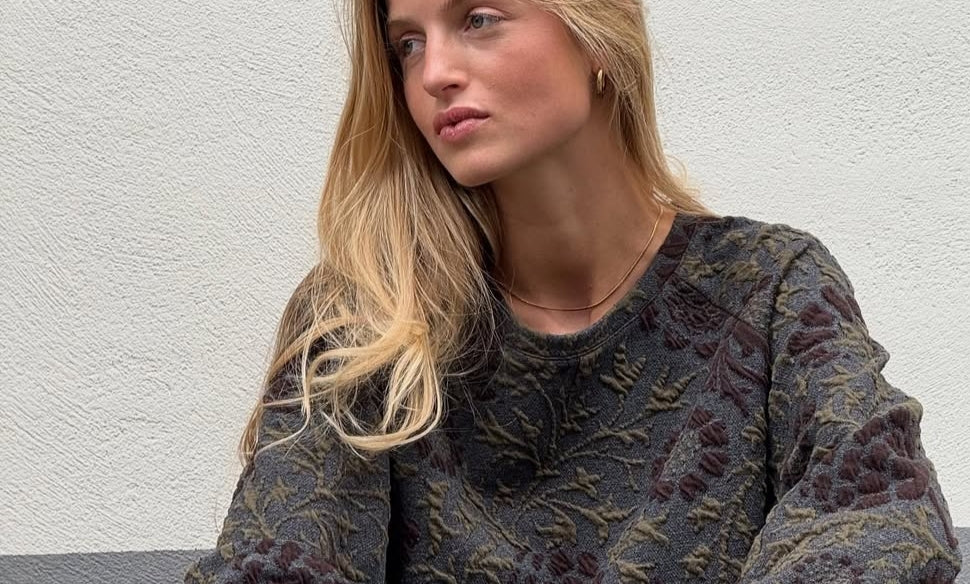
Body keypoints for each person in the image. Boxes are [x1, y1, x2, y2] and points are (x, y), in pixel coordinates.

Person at [183, 0, 961, 581]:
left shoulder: (770, 288)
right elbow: (277, 558)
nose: (433, 72)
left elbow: (883, 516)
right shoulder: (367, 318)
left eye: (478, 18)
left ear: (596, 36)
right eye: (407, 43)